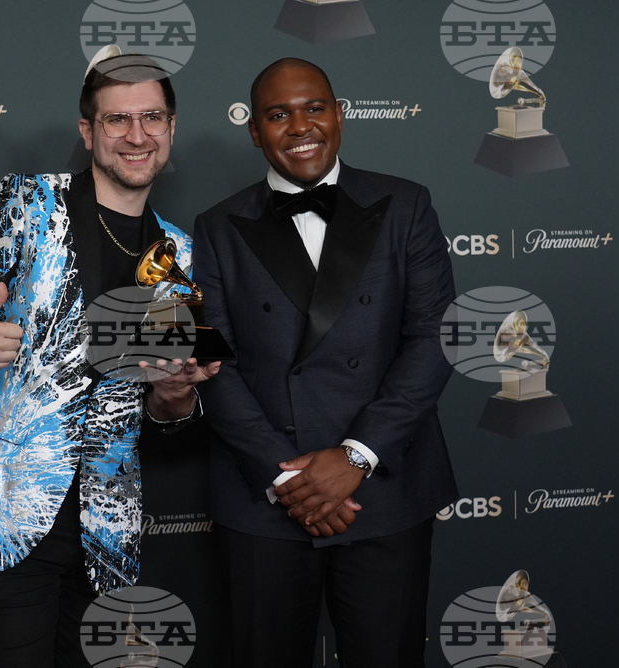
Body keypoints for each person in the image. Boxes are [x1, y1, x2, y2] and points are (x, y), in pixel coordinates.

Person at [0, 53, 219, 668]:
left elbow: (164, 412)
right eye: (117, 119)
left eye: (152, 117)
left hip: (106, 530)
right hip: (4, 514)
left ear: (171, 128)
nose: (136, 135)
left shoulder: (179, 254)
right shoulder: (27, 204)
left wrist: (176, 394)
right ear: (88, 131)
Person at [193, 57, 458, 667]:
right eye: (278, 114)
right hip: (266, 497)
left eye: (314, 108)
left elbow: (435, 337)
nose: (300, 126)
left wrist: (357, 455)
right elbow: (212, 363)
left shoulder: (406, 205)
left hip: (384, 487)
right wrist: (289, 480)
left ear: (339, 115)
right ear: (254, 131)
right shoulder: (216, 227)